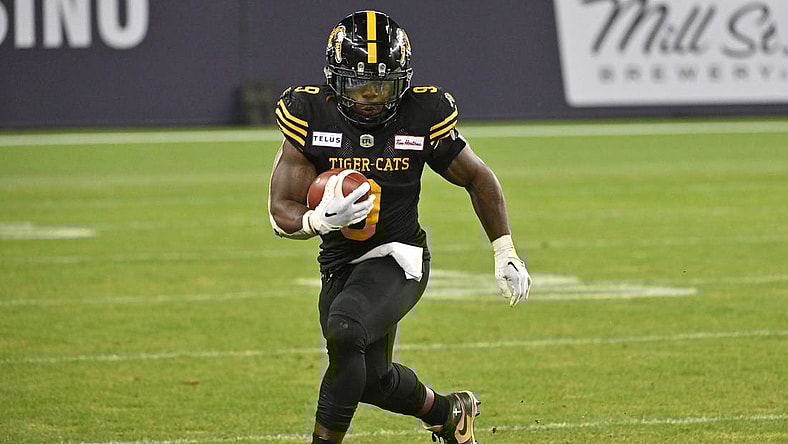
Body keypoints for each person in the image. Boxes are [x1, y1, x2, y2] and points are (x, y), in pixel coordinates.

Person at [267, 10, 531, 444]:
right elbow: (281, 210)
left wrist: (505, 250)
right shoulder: (309, 114)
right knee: (371, 379)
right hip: (339, 262)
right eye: (359, 84)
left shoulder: (421, 114)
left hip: (399, 256)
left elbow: (477, 178)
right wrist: (317, 220)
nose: (370, 98)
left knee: (346, 329)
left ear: (403, 82)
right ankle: (449, 412)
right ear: (335, 79)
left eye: (382, 86)